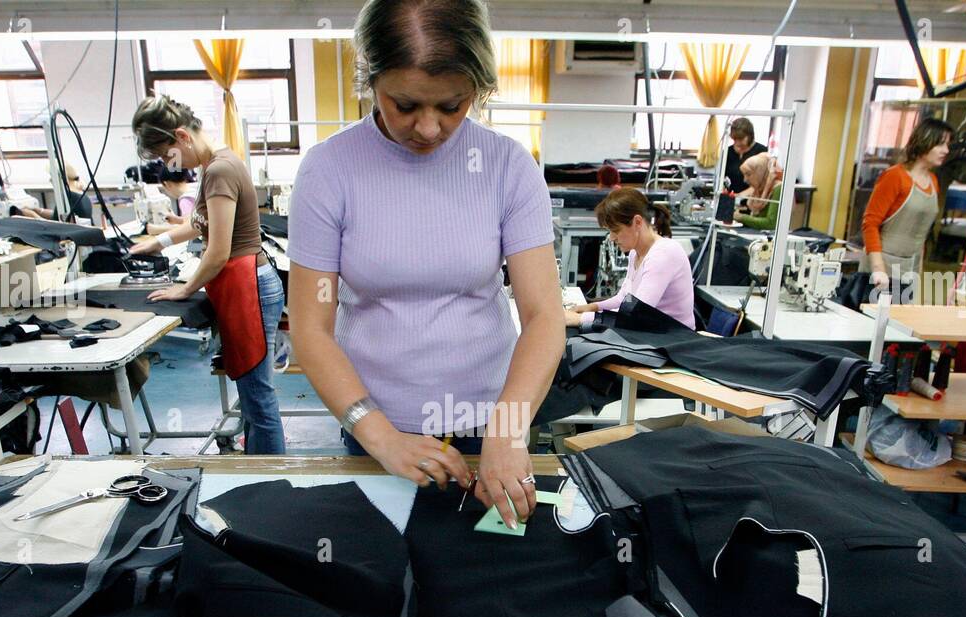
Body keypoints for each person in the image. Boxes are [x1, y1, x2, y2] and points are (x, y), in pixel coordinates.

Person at [287, 0, 563, 530]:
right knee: (379, 577)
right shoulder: (329, 171)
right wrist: (379, 435)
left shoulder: (508, 168)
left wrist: (507, 431)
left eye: (453, 106)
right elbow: (311, 327)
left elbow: (544, 315)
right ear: (370, 78)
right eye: (406, 105)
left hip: (490, 422)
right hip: (373, 427)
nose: (430, 129)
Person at [128, 95, 286, 454]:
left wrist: (185, 289)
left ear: (181, 136)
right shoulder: (217, 163)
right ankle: (258, 467)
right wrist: (160, 241)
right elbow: (200, 224)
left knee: (258, 397)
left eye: (167, 156)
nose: (169, 167)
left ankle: (273, 481)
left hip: (251, 288)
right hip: (245, 285)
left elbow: (217, 252)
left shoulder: (219, 170)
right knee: (253, 395)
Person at [564, 188, 696, 330]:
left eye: (616, 230)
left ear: (637, 222)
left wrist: (580, 318)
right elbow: (624, 298)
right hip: (654, 333)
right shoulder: (635, 253)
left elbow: (636, 313)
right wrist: (591, 307)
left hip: (676, 341)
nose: (612, 237)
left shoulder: (663, 254)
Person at [861, 117, 954, 293]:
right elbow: (870, 223)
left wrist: (918, 273)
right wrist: (878, 269)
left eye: (947, 145)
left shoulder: (933, 181)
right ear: (924, 143)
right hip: (882, 267)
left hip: (909, 267)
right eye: (940, 144)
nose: (946, 150)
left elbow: (921, 235)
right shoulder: (895, 177)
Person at [18, 162, 94, 223]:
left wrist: (32, 215)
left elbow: (55, 226)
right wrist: (40, 211)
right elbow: (59, 215)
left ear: (60, 178)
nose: (50, 180)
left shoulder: (68, 197)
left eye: (52, 176)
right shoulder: (79, 193)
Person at [734, 152, 783, 230]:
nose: (745, 180)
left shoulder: (778, 189)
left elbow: (771, 224)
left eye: (748, 174)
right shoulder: (758, 189)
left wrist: (742, 218)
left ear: (761, 172)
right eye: (744, 175)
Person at [723, 117, 767, 195]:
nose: (737, 143)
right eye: (735, 139)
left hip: (753, 199)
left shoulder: (762, 152)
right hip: (731, 197)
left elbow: (762, 183)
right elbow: (723, 178)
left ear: (750, 136)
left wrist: (740, 196)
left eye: (740, 139)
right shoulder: (728, 152)